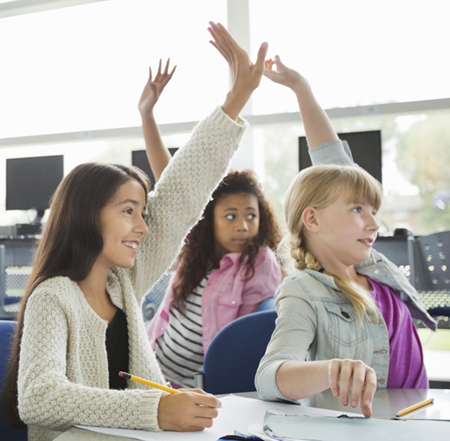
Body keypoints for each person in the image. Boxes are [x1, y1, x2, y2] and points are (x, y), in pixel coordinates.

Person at [1, 22, 269, 441]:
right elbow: (38, 397)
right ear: (87, 216)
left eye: (142, 212)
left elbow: (183, 190)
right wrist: (157, 408)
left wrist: (237, 99)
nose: (144, 226)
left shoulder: (124, 280)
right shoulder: (52, 297)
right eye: (129, 211)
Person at [255, 55, 436, 418]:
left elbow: (332, 159)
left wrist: (300, 87)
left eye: (373, 211)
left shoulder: (370, 268)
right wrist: (330, 370)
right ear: (313, 219)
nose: (374, 224)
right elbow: (270, 377)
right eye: (357, 210)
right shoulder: (304, 289)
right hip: (373, 429)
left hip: (418, 418)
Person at [138, 59, 283, 388]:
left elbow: (251, 337)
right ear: (211, 220)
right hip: (153, 369)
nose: (243, 226)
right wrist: (147, 114)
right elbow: (172, 182)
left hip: (196, 388)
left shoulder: (258, 261)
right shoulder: (195, 249)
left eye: (251, 215)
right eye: (231, 216)